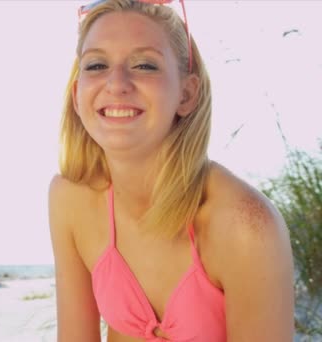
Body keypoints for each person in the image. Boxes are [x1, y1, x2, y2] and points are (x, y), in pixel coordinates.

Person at [48, 1, 295, 341]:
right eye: (97, 64)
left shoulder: (245, 225)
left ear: (187, 94)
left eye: (145, 65)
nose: (116, 83)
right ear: (78, 96)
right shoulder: (69, 199)